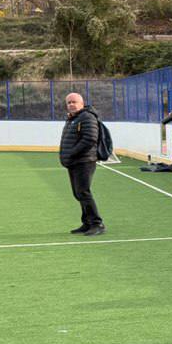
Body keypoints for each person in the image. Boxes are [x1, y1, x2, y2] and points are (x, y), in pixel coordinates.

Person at [59, 92, 105, 236]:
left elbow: (90, 139)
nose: (71, 104)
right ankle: (87, 222)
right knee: (78, 193)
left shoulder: (87, 117)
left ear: (82, 103)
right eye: (68, 102)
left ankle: (97, 224)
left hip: (84, 161)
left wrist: (72, 152)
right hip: (74, 161)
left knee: (83, 192)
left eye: (74, 102)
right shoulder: (72, 118)